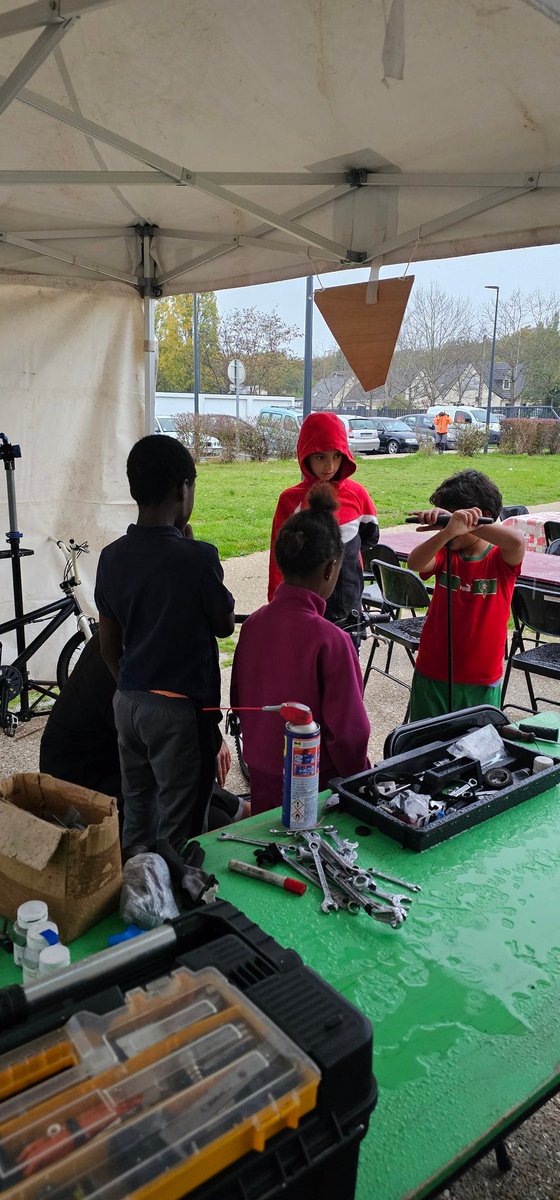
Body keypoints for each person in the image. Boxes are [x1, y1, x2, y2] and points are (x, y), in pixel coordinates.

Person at [94, 435, 235, 857]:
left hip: (129, 704)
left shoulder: (111, 557)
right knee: (182, 824)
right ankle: (178, 903)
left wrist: (133, 688)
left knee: (138, 807)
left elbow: (108, 647)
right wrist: (191, 546)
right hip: (179, 713)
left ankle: (136, 889)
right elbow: (225, 625)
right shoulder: (197, 558)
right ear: (182, 489)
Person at [232, 483, 370, 813]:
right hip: (315, 789)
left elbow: (239, 701)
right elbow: (351, 735)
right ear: (330, 568)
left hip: (262, 777)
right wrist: (361, 784)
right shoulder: (331, 640)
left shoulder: (253, 624)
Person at [39, 632, 246, 834]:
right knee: (216, 825)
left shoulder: (140, 637)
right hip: (79, 787)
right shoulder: (130, 662)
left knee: (215, 819)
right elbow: (171, 761)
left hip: (110, 768)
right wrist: (236, 806)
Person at [407, 469, 525, 721]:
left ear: (484, 518)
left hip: (480, 679)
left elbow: (516, 542)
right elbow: (416, 563)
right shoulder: (445, 550)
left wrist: (462, 524)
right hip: (433, 671)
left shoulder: (500, 558)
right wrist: (448, 531)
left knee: (473, 751)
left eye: (455, 520)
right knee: (422, 747)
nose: (452, 526)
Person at [267, 412, 379, 644]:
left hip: (348, 604)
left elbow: (368, 538)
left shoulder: (358, 495)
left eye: (337, 456)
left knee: (346, 667)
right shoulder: (290, 500)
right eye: (320, 457)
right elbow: (278, 558)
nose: (330, 466)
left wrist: (345, 560)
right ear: (305, 455)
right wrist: (276, 603)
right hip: (304, 607)